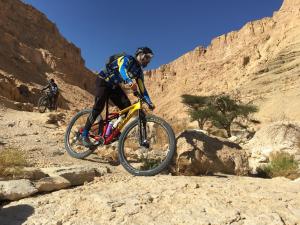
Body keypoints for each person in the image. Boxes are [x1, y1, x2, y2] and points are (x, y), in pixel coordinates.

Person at [81, 47, 155, 147]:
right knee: (99, 106)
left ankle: (111, 130)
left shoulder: (138, 72)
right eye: (146, 57)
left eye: (149, 59)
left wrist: (149, 102)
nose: (147, 61)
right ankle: (84, 134)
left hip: (114, 86)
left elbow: (143, 89)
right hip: (103, 80)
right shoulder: (127, 59)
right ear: (139, 54)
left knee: (126, 106)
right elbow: (122, 69)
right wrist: (129, 81)